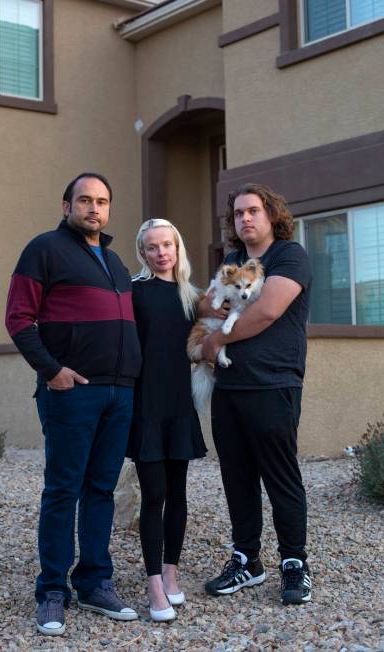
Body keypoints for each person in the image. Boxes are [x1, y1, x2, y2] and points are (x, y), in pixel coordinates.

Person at [5, 172, 142, 636]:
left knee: (102, 489)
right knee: (63, 490)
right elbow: (19, 317)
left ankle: (95, 583)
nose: (94, 208)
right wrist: (51, 369)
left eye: (102, 201)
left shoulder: (118, 261)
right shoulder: (44, 249)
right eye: (85, 200)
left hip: (119, 392)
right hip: (71, 391)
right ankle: (51, 591)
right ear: (67, 206)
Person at [200, 183, 312, 605]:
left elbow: (266, 311)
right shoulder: (231, 261)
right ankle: (247, 560)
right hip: (229, 386)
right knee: (237, 478)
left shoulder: (289, 256)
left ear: (270, 215)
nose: (244, 219)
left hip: (273, 383)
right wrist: (208, 310)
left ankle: (294, 564)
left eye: (253, 211)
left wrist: (214, 344)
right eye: (238, 214)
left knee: (280, 478)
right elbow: (206, 303)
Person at [127, 218, 207, 622]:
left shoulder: (191, 296)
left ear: (178, 248)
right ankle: (154, 583)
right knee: (154, 496)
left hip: (180, 407)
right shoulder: (133, 292)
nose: (161, 253)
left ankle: (172, 574)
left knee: (179, 496)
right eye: (152, 247)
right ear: (142, 253)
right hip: (147, 408)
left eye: (167, 245)